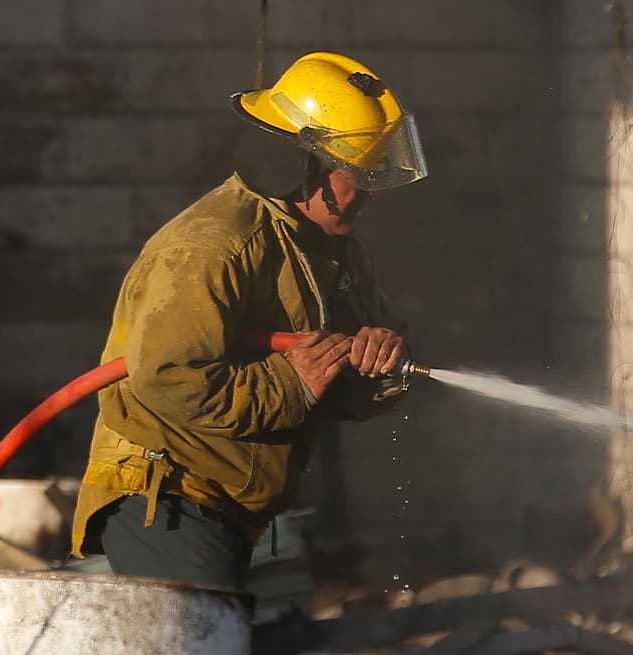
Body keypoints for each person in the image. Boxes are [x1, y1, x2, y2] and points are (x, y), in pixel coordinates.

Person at [69, 51, 428, 589]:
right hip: (167, 496)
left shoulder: (336, 248)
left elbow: (347, 384)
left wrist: (380, 364)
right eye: (357, 171)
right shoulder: (211, 249)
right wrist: (292, 382)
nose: (371, 189)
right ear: (300, 166)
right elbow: (167, 377)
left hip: (238, 503)